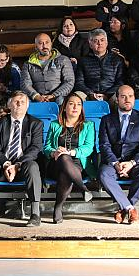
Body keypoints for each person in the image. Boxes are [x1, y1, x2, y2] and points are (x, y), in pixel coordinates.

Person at [0, 91, 43, 228]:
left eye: (22, 102)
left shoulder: (35, 123)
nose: (19, 104)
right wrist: (7, 164)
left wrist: (17, 165)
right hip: (3, 166)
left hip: (23, 166)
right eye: (16, 101)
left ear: (27, 106)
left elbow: (35, 149)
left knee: (33, 166)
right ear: (9, 105)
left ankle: (35, 215)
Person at [98, 85, 139, 224]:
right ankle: (130, 208)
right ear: (117, 99)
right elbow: (104, 145)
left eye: (130, 96)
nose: (127, 99)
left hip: (136, 162)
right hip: (114, 161)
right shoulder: (106, 119)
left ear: (134, 98)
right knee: (104, 174)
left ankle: (123, 208)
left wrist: (131, 163)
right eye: (123, 96)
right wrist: (116, 163)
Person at [43, 93, 95, 224]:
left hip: (78, 163)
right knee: (63, 157)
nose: (75, 107)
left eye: (78, 104)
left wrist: (72, 152)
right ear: (65, 107)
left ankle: (58, 207)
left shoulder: (88, 125)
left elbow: (88, 148)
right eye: (71, 104)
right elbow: (47, 147)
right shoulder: (55, 124)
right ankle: (83, 188)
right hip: (56, 162)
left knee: (65, 174)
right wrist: (54, 152)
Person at [21, 33, 74, 105]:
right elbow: (25, 84)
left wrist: (54, 95)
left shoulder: (63, 60)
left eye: (47, 42)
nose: (44, 46)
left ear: (51, 44)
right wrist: (36, 96)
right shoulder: (28, 64)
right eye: (40, 43)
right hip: (37, 97)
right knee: (24, 101)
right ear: (36, 46)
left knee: (61, 100)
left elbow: (69, 81)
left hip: (58, 97)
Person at [74, 29, 124, 102]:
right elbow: (79, 82)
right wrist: (90, 94)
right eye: (95, 41)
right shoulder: (83, 61)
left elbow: (120, 82)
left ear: (106, 43)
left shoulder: (117, 60)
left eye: (102, 40)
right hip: (88, 94)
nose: (99, 43)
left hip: (111, 94)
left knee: (121, 96)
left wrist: (107, 95)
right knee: (76, 96)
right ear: (90, 45)